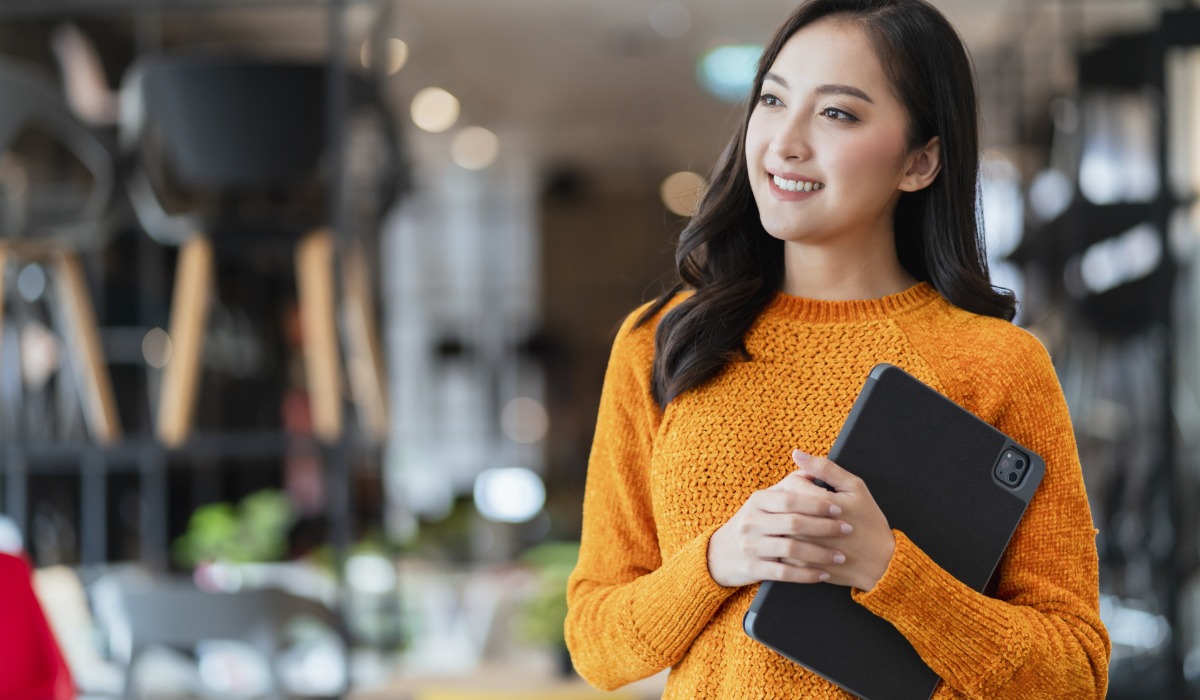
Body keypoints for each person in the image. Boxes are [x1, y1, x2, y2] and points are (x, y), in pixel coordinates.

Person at [563, 0, 1111, 697]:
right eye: (771, 99)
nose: (785, 142)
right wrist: (719, 560)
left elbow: (1076, 674)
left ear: (921, 160)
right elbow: (595, 643)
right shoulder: (664, 340)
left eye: (838, 114)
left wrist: (889, 570)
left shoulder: (996, 363)